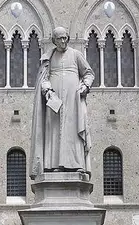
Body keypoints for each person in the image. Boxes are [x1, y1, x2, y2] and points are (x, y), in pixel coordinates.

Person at [29, 27, 95, 179]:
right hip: (54, 102)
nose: (63, 41)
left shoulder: (76, 55)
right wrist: (48, 90)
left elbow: (89, 73)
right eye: (59, 38)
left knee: (73, 130)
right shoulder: (49, 58)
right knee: (54, 131)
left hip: (73, 100)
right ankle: (54, 166)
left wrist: (85, 85)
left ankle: (77, 165)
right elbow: (43, 78)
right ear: (54, 40)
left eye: (65, 38)